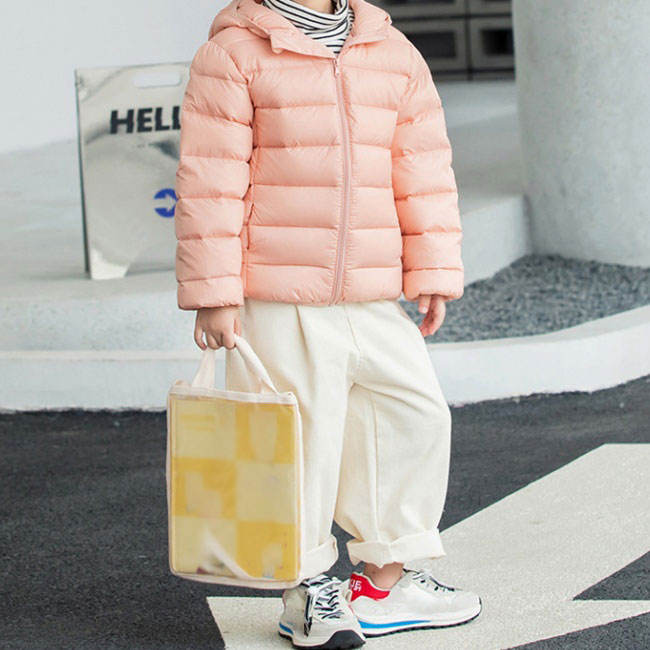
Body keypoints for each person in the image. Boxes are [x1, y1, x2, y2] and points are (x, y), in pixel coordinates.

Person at [174, 0, 481, 646]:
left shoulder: (391, 53)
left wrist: (431, 267)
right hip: (279, 292)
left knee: (411, 416)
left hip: (372, 291)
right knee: (299, 443)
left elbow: (422, 167)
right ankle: (306, 590)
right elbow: (211, 179)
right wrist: (214, 291)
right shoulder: (233, 54)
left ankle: (384, 583)